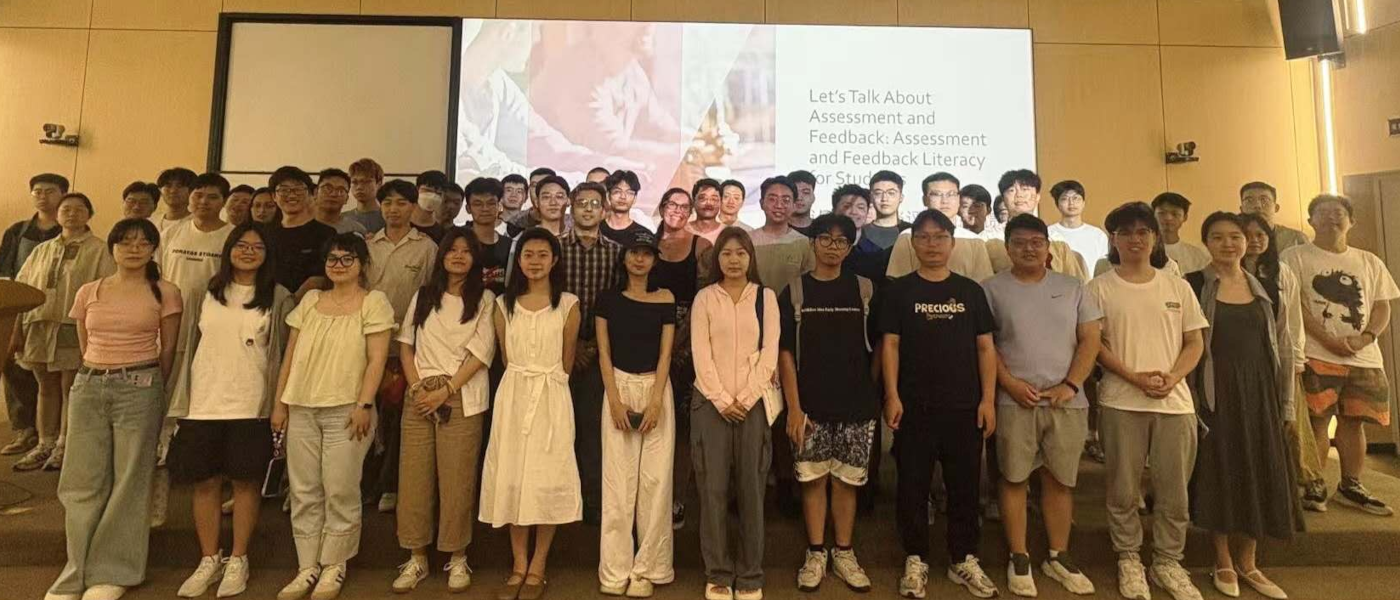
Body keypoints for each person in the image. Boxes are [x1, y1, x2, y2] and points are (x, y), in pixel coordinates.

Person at [44, 218, 182, 600]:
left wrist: (152, 386)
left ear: (154, 249)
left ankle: (113, 571)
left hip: (140, 386)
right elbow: (87, 345)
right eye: (125, 242)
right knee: (80, 481)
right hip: (89, 385)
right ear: (113, 248)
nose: (133, 248)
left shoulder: (166, 292)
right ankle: (75, 572)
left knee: (129, 480)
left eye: (142, 242)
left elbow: (167, 350)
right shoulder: (90, 290)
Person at [1088, 201, 1206, 600]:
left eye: (1143, 232)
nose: (1135, 239)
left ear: (1154, 238)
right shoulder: (1100, 287)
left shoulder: (1177, 285)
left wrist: (1173, 377)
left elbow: (1195, 341)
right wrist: (1133, 376)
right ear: (1113, 239)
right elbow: (1096, 346)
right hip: (1122, 400)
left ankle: (1168, 562)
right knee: (1122, 488)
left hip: (1175, 403)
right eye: (1126, 232)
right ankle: (1129, 558)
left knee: (1174, 488)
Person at [168, 222, 293, 599]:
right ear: (228, 249)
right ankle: (209, 559)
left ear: (268, 253)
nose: (249, 251)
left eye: (258, 246)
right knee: (205, 483)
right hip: (204, 401)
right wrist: (180, 400)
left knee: (245, 483)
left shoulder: (278, 295)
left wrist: (278, 404)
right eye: (242, 244)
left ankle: (238, 558)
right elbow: (187, 345)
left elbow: (285, 355)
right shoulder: (205, 291)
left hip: (251, 402)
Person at [880, 209, 999, 599]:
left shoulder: (970, 291)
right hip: (913, 407)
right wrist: (892, 394)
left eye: (939, 237)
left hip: (964, 407)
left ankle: (963, 557)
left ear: (952, 242)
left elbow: (985, 347)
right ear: (913, 243)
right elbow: (891, 345)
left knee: (964, 487)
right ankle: (915, 558)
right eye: (924, 237)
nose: (932, 245)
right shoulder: (899, 291)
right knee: (912, 486)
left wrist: (988, 400)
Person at [982, 214, 1101, 597]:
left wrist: (1071, 384)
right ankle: (1019, 555)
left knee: (1060, 480)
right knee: (1014, 478)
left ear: (1049, 247)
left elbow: (1090, 340)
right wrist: (1010, 383)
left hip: (1066, 400)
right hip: (1014, 399)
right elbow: (986, 347)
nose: (1028, 249)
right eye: (1019, 242)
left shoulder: (1073, 287)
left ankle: (1058, 554)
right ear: (1007, 247)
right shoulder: (991, 289)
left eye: (1036, 242)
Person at [272, 234, 394, 600]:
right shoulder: (310, 300)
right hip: (302, 406)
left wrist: (365, 404)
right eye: (333, 259)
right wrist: (279, 404)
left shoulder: (374, 302)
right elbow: (290, 356)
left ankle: (334, 565)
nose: (339, 265)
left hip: (348, 409)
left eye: (347, 259)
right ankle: (306, 566)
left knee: (340, 488)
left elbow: (376, 359)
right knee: (304, 490)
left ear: (362, 264)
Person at [1186, 212, 1297, 600]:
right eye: (1218, 237)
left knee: (1259, 466)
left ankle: (1249, 562)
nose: (1229, 244)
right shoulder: (1194, 284)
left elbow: (1283, 344)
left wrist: (1287, 404)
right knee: (1221, 470)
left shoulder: (1266, 286)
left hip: (1260, 391)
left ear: (1248, 242)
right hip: (1216, 391)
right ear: (1206, 243)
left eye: (1236, 236)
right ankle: (1222, 560)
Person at [479, 227, 583, 600]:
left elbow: (567, 361)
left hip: (552, 397)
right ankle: (518, 564)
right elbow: (506, 357)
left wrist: (547, 384)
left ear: (554, 260)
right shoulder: (503, 303)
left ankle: (538, 564)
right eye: (528, 254)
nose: (535, 261)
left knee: (546, 479)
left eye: (542, 254)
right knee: (513, 477)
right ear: (518, 260)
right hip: (514, 395)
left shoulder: (568, 303)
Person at [391, 228, 496, 594]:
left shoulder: (485, 299)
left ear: (475, 259)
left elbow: (482, 353)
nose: (458, 256)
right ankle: (417, 557)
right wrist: (419, 387)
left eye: (466, 251)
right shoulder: (424, 296)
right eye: (452, 250)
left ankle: (457, 556)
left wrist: (446, 390)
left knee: (457, 481)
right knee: (414, 479)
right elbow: (406, 345)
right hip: (420, 394)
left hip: (461, 396)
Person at [1282, 194, 1400, 516]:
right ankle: (1314, 483)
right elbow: (1296, 306)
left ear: (1351, 221)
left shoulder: (1369, 260)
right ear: (1310, 221)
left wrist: (1366, 337)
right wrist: (1327, 339)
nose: (1332, 218)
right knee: (1318, 421)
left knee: (1353, 422)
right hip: (1315, 353)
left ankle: (1351, 484)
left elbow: (1381, 305)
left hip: (1364, 357)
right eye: (1322, 213)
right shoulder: (1294, 256)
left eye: (1339, 213)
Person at [778, 214, 876, 594]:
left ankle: (845, 552)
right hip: (810, 406)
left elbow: (880, 346)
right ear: (813, 243)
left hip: (856, 404)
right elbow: (785, 354)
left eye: (841, 241)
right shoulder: (796, 291)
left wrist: (874, 397)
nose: (832, 247)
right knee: (813, 479)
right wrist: (794, 407)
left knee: (847, 482)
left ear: (850, 248)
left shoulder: (865, 289)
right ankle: (816, 552)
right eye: (825, 239)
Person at [690, 227, 779, 600]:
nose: (733, 260)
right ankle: (718, 573)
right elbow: (700, 352)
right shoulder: (704, 298)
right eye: (726, 253)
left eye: (741, 253)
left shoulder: (766, 297)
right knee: (712, 490)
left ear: (750, 258)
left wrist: (745, 396)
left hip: (754, 405)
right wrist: (722, 399)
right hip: (711, 406)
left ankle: (751, 574)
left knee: (751, 491)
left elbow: (770, 351)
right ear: (716, 260)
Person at [595, 231, 677, 598]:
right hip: (618, 386)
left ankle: (648, 569)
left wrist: (657, 400)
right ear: (624, 258)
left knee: (656, 483)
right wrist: (614, 400)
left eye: (646, 254)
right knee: (617, 483)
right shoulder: (608, 299)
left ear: (655, 261)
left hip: (656, 387)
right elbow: (603, 352)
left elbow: (665, 355)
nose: (640, 260)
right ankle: (614, 571)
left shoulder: (665, 299)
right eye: (634, 254)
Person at [153, 172, 235, 524]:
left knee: (205, 416)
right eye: (198, 195)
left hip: (211, 339)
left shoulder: (232, 236)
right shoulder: (169, 232)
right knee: (159, 419)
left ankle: (216, 489)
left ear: (223, 202)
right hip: (167, 334)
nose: (203, 202)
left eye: (212, 197)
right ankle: (154, 505)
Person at [11, 193, 115, 472]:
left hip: (73, 326)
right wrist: (17, 328)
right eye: (65, 209)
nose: (71, 214)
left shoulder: (99, 249)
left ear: (89, 214)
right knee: (44, 386)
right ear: (57, 215)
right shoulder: (42, 249)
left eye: (79, 209)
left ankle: (64, 445)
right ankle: (44, 443)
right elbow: (23, 288)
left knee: (71, 388)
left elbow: (104, 291)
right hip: (38, 323)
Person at [364, 179, 439, 514]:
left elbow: (430, 298)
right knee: (364, 414)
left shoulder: (426, 248)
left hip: (404, 348)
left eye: (401, 203)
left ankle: (389, 485)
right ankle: (362, 485)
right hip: (364, 346)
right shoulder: (367, 245)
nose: (394, 209)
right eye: (388, 203)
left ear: (413, 207)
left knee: (395, 421)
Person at [1240, 213, 1317, 512]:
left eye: (1261, 235)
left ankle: (1296, 485)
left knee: (1287, 424)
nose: (1255, 240)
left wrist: (1296, 358)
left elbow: (1291, 322)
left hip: (1278, 360)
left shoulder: (1281, 273)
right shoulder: (1220, 274)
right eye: (1247, 234)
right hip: (1238, 361)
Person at [748, 175, 815, 515]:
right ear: (761, 203)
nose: (779, 204)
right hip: (749, 339)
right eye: (771, 198)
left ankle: (788, 487)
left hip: (792, 338)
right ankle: (752, 488)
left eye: (785, 198)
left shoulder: (805, 244)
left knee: (789, 411)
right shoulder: (746, 241)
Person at [560, 181, 623, 525]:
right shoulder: (552, 249)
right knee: (558, 429)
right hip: (556, 354)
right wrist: (569, 346)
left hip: (601, 353)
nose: (587, 209)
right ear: (571, 206)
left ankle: (593, 500)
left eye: (594, 203)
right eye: (581, 202)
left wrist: (596, 346)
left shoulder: (615, 252)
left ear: (604, 210)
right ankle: (561, 498)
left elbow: (620, 306)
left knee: (594, 431)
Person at [652, 187, 712, 531]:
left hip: (688, 348)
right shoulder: (646, 244)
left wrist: (681, 341)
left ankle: (677, 498)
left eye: (683, 206)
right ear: (661, 208)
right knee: (651, 420)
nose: (677, 210)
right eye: (671, 205)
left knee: (683, 427)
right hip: (648, 341)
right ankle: (649, 496)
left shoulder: (701, 247)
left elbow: (705, 297)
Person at [0, 173, 66, 458]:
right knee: (13, 368)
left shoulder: (68, 232)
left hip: (53, 312)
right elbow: (5, 270)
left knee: (51, 375)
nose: (42, 196)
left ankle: (50, 435)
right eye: (37, 191)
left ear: (63, 194)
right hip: (15, 310)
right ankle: (24, 429)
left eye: (49, 191)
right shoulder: (17, 231)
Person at [886, 176, 996, 283]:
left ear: (958, 199)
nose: (944, 201)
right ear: (925, 200)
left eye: (951, 194)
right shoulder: (907, 237)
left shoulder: (975, 241)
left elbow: (983, 284)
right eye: (936, 195)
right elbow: (897, 282)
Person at [983, 171, 1088, 280]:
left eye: (1025, 189)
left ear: (1037, 197)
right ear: (1003, 199)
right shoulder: (987, 238)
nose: (1019, 195)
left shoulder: (1056, 238)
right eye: (1011, 190)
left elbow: (1073, 281)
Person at [267, 166, 336, 295]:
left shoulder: (326, 234)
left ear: (311, 194)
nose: (292, 195)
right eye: (284, 190)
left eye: (298, 189)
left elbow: (322, 278)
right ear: (274, 196)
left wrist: (291, 303)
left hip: (309, 306)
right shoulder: (265, 234)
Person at [1047, 180, 1109, 273]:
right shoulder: (1048, 233)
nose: (1071, 203)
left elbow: (1104, 268)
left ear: (1083, 203)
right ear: (1057, 204)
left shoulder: (1098, 235)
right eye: (1065, 199)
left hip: (1091, 286)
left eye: (1076, 198)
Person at [465, 177, 513, 294]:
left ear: (499, 206)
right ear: (468, 208)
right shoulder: (459, 242)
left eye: (491, 203)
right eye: (478, 204)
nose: (485, 209)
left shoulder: (509, 246)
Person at [1241, 181, 1308, 251]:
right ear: (1241, 209)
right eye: (1249, 200)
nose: (1257, 205)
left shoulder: (1295, 238)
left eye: (1264, 200)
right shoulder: (1234, 238)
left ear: (1276, 208)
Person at [1153, 192, 1210, 274]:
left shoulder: (1197, 255)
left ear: (1185, 217)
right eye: (1162, 213)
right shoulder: (1145, 252)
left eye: (1175, 214)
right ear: (1153, 215)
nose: (1168, 218)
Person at [602, 170, 652, 248]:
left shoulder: (644, 235)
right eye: (617, 191)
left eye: (629, 192)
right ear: (608, 195)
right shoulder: (596, 230)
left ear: (635, 198)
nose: (623, 197)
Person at [864, 170, 911, 250]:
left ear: (901, 197)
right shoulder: (860, 234)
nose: (884, 199)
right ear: (871, 197)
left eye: (891, 193)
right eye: (878, 193)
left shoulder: (911, 232)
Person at [314, 168, 368, 237]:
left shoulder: (356, 230)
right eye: (328, 188)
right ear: (315, 193)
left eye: (341, 190)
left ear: (346, 199)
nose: (333, 194)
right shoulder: (300, 224)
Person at [347, 158, 386, 234]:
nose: (359, 187)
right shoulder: (343, 219)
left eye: (366, 182)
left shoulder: (388, 217)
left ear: (379, 184)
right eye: (354, 182)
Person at [156, 167, 197, 236]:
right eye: (168, 186)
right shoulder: (152, 222)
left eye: (180, 186)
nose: (173, 191)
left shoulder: (197, 224)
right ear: (160, 190)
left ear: (192, 190)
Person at [411, 171, 450, 243]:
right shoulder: (402, 224)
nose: (432, 197)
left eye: (438, 193)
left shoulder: (442, 234)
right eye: (427, 190)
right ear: (416, 190)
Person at [689, 178, 726, 244]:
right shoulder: (682, 230)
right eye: (703, 198)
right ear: (694, 201)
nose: (709, 203)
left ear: (720, 202)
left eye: (714, 199)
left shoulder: (728, 232)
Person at [786, 170, 818, 235]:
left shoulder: (823, 229)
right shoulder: (777, 229)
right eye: (795, 192)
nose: (799, 198)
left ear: (813, 197)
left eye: (806, 192)